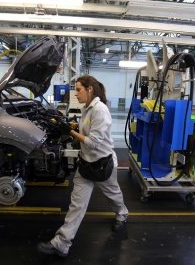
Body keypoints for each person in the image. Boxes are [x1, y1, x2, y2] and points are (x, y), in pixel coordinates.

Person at [37, 75, 129, 258]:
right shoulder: (87, 108)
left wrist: (69, 131)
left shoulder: (100, 110)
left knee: (113, 194)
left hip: (102, 164)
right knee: (77, 204)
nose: (75, 93)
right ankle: (61, 243)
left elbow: (93, 142)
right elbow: (84, 132)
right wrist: (67, 125)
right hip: (86, 163)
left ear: (89, 89)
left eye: (78, 89)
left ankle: (122, 214)